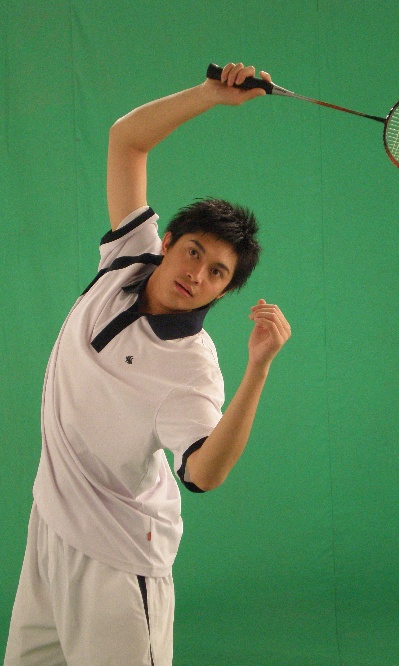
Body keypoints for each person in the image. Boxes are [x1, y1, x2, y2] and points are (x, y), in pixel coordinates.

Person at [4, 62, 291, 666]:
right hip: (51, 526)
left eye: (217, 273)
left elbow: (205, 473)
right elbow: (127, 140)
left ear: (224, 291)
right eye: (193, 252)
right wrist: (211, 95)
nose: (197, 274)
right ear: (166, 244)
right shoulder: (126, 261)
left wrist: (258, 368)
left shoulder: (190, 369)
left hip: (117, 561)